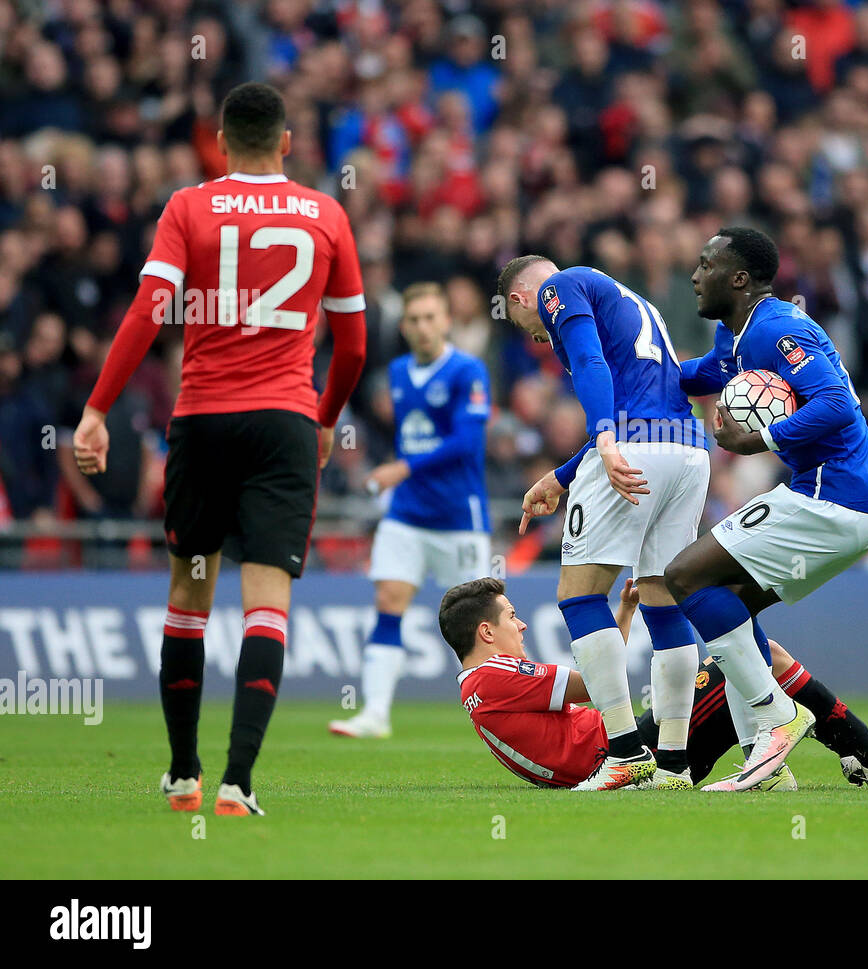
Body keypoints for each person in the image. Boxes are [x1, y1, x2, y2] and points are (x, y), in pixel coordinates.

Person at [73, 82, 367, 816]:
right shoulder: (327, 214)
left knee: (188, 597)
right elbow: (355, 345)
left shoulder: (189, 207)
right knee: (267, 604)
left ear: (222, 142)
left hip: (202, 420)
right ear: (287, 143)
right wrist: (326, 416)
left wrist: (97, 408)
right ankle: (239, 780)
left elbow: (149, 311)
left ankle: (183, 773)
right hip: (284, 425)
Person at [664, 226, 868, 794]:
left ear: (739, 278)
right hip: (832, 496)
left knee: (684, 575)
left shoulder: (777, 328)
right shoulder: (738, 333)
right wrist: (641, 372)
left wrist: (765, 439)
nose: (694, 274)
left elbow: (834, 402)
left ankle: (773, 720)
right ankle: (777, 763)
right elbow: (708, 374)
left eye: (706, 264)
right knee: (726, 604)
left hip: (834, 497)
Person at [497, 256, 710, 790]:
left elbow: (590, 363)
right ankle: (674, 764)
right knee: (662, 598)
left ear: (520, 301)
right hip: (687, 452)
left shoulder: (558, 288)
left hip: (632, 449)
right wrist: (565, 475)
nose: (537, 338)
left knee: (579, 597)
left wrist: (608, 441)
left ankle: (623, 753)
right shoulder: (631, 298)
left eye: (523, 325)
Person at [446, 578, 868, 790]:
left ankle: (854, 753)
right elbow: (597, 687)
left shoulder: (481, 685)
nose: (523, 625)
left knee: (749, 656)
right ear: (485, 632)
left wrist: (623, 612)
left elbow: (603, 681)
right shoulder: (494, 679)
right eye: (512, 617)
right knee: (753, 652)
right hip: (634, 759)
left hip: (625, 749)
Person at [329, 281, 491, 738]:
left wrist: (402, 467)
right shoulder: (398, 372)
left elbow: (466, 442)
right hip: (406, 515)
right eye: (413, 319)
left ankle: (505, 713)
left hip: (459, 516)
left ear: (445, 321)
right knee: (388, 601)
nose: (422, 327)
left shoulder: (467, 371)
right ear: (404, 326)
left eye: (430, 317)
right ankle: (375, 714)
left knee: (481, 621)